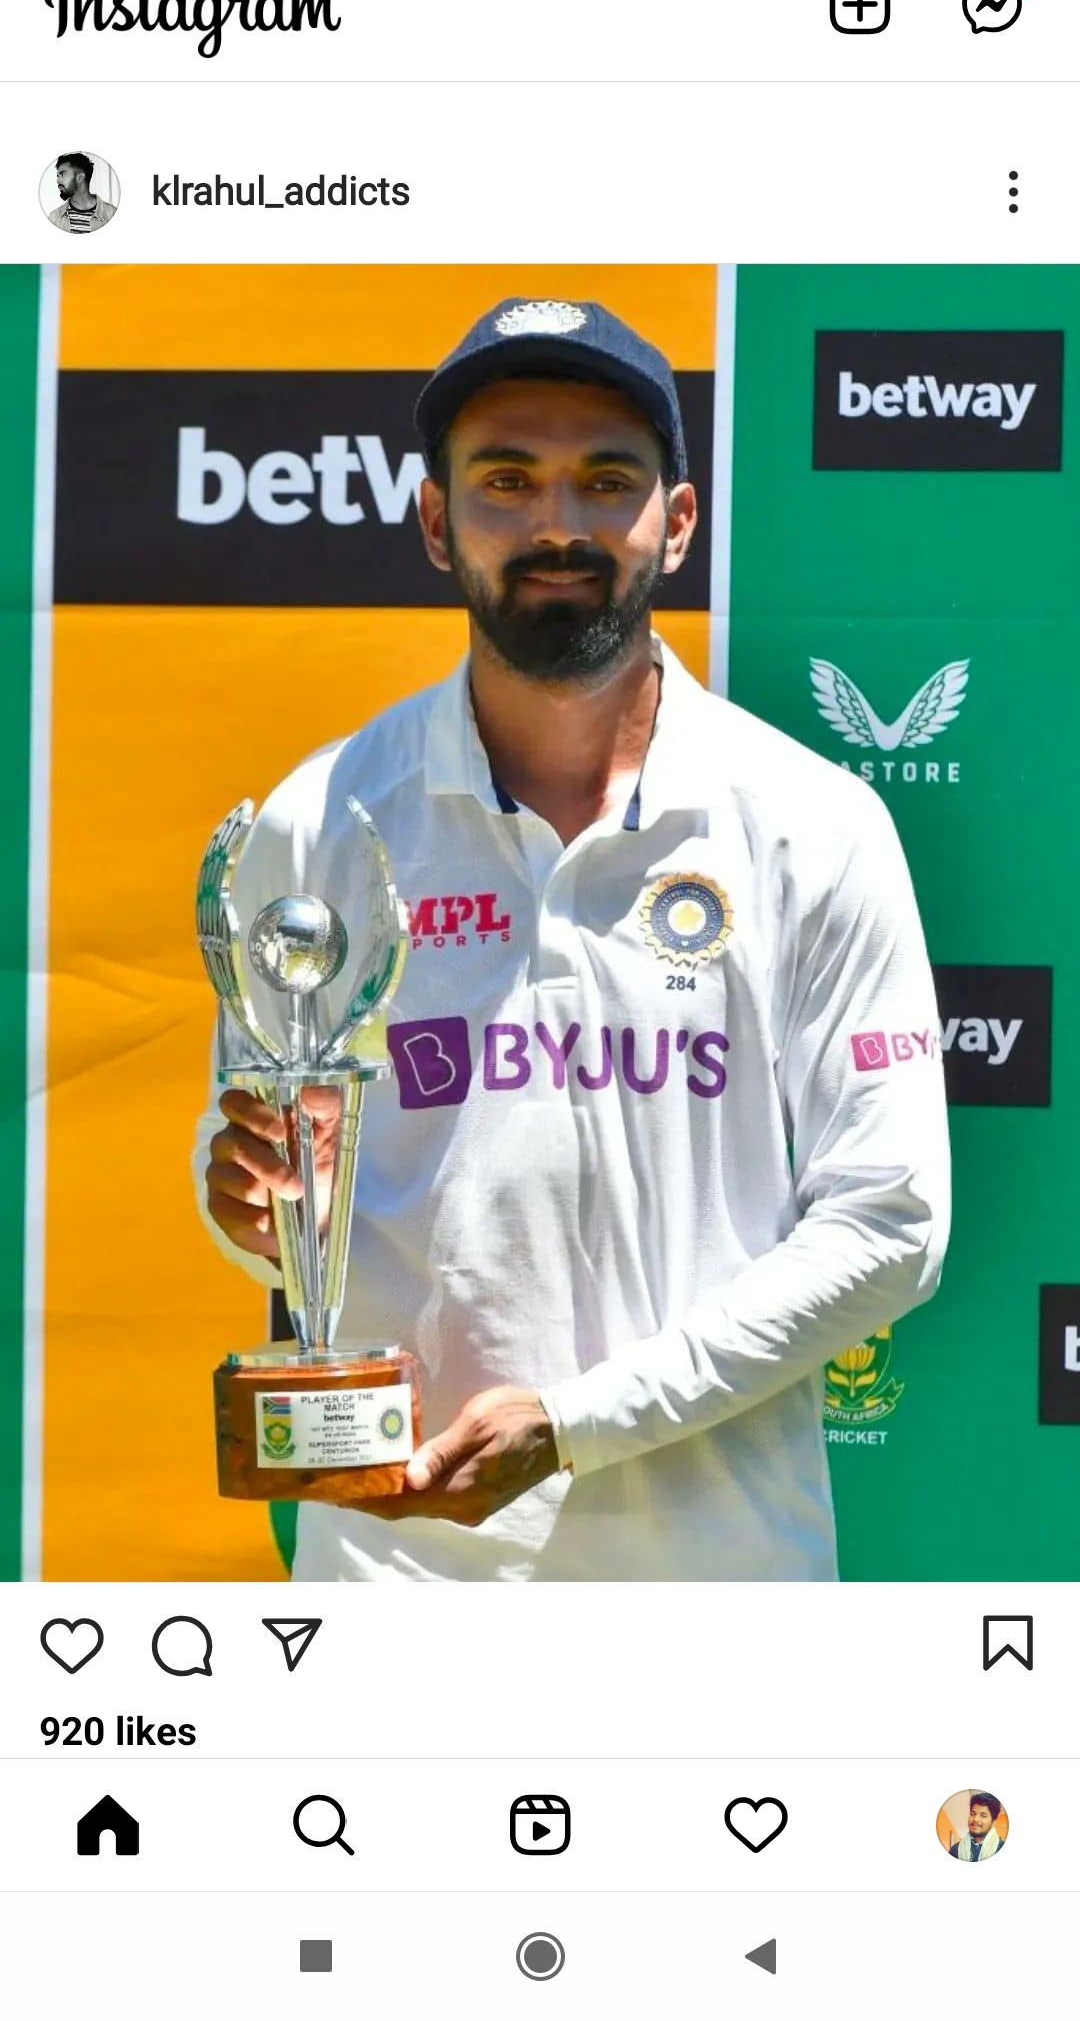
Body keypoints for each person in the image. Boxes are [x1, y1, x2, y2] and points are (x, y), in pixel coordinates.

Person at [194, 295, 952, 1582]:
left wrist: (576, 1425)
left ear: (678, 520)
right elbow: (261, 1184)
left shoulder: (814, 822)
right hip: (401, 1588)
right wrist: (247, 1204)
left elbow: (892, 1219)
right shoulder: (319, 819)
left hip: (720, 1591)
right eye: (506, 480)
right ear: (437, 522)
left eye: (607, 480)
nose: (558, 524)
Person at [47, 152, 116, 234]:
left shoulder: (112, 214)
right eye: (58, 176)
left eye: (63, 174)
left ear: (80, 178)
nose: (58, 181)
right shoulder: (54, 218)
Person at [949, 1792, 1005, 1861]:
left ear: (993, 1822)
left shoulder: (1001, 1848)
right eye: (973, 1814)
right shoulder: (955, 1850)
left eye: (983, 1816)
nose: (975, 1819)